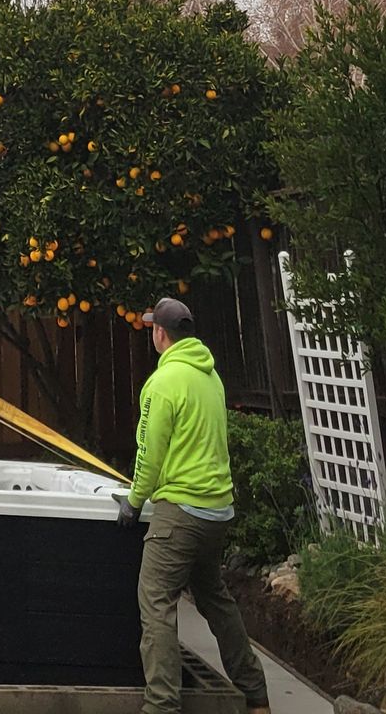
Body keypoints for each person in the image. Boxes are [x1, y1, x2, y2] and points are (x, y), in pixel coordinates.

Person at [126, 296, 269, 712]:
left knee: (155, 601)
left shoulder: (163, 382)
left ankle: (161, 706)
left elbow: (149, 452)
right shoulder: (211, 377)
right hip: (217, 511)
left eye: (152, 327)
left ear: (160, 333)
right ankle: (257, 697)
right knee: (214, 598)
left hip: (181, 514)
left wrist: (134, 502)